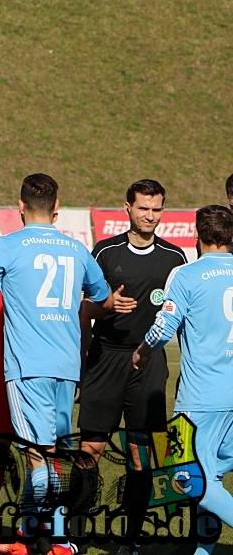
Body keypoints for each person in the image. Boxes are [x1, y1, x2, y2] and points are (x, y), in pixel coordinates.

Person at [0, 174, 113, 555]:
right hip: (66, 367)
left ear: (19, 207)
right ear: (57, 209)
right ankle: (28, 536)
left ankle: (58, 538)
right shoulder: (76, 249)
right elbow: (103, 299)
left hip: (27, 368)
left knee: (36, 455)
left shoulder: (8, 246)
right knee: (49, 452)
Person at [77, 179, 186, 555]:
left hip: (149, 364)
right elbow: (85, 310)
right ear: (127, 208)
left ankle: (133, 538)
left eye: (156, 209)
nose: (150, 216)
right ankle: (77, 533)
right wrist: (107, 306)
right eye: (143, 208)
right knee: (89, 449)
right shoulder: (105, 252)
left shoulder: (174, 259)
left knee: (143, 455)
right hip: (106, 358)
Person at [131, 205, 233, 555]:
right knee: (213, 477)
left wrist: (141, 353)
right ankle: (203, 552)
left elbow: (162, 329)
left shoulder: (186, 274)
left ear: (196, 236)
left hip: (200, 396)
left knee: (185, 476)